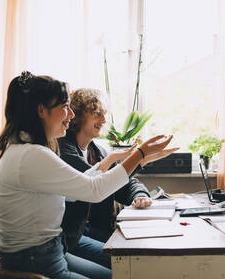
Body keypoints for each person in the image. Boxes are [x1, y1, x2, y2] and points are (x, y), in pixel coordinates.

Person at [0, 71, 174, 279]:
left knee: (119, 273)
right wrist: (140, 154)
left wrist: (136, 159)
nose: (70, 114)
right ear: (41, 110)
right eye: (64, 107)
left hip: (50, 251)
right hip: (35, 260)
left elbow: (77, 190)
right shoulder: (32, 155)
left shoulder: (25, 150)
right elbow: (93, 191)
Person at [59, 88, 178, 269]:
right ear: (78, 115)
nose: (104, 120)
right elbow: (97, 182)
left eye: (105, 114)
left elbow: (125, 184)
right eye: (97, 114)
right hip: (73, 236)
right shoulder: (63, 148)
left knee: (144, 253)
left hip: (96, 230)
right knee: (132, 263)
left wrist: (141, 196)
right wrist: (141, 158)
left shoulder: (97, 151)